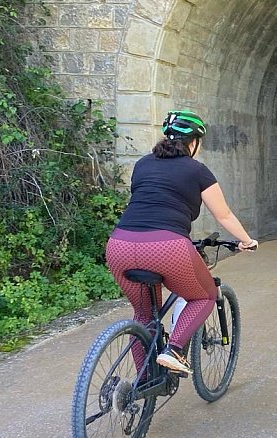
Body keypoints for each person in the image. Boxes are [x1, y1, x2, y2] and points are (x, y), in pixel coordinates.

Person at [106, 110, 258, 375]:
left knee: (144, 316)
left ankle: (143, 387)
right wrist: (246, 241)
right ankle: (175, 350)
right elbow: (223, 215)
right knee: (204, 295)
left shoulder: (142, 164)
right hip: (167, 247)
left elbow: (148, 202)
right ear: (194, 142)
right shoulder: (197, 170)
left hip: (120, 245)